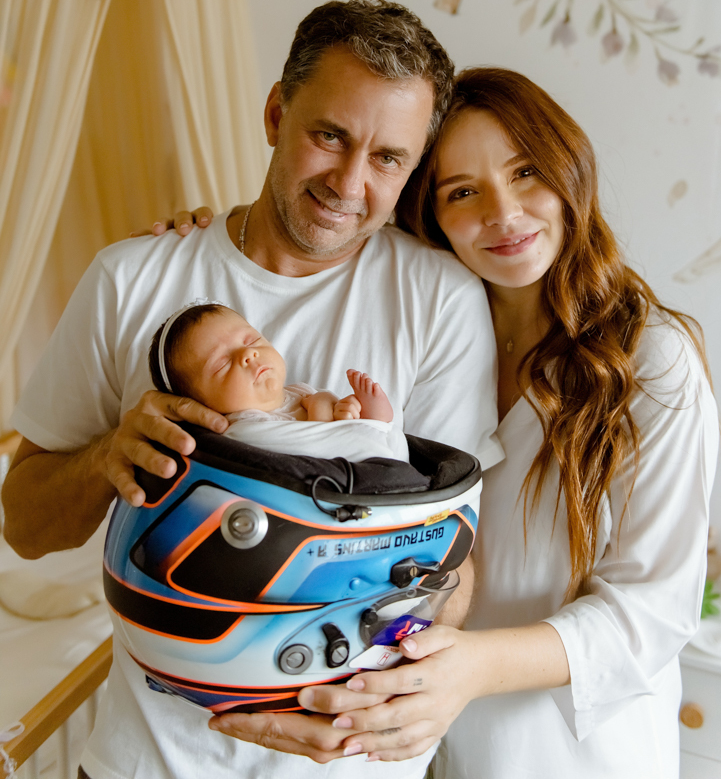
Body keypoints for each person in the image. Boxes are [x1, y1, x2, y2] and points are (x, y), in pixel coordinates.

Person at [1, 0, 501, 779]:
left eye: (387, 158)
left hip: (346, 760)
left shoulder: (439, 300)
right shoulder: (133, 278)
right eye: (328, 135)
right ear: (275, 114)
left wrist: (349, 706)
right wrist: (108, 457)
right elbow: (25, 527)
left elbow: (452, 562)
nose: (348, 183)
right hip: (148, 762)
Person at [281, 67, 718, 777]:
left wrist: (473, 667)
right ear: (429, 215)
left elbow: (653, 612)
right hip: (430, 741)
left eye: (525, 173)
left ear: (568, 171)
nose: (505, 213)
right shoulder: (432, 338)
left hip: (583, 756)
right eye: (463, 192)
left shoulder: (651, 360)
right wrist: (200, 237)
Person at [148, 301, 405, 460]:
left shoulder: (299, 391)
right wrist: (322, 406)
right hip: (338, 492)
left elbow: (342, 433)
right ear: (199, 406)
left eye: (252, 340)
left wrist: (351, 411)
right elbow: (313, 454)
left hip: (381, 471)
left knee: (377, 424)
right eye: (222, 364)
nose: (248, 354)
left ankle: (379, 419)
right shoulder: (242, 431)